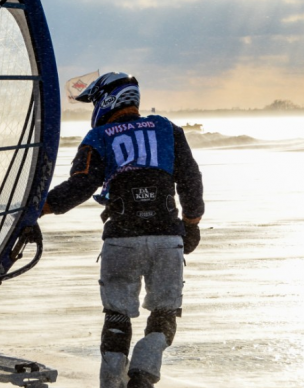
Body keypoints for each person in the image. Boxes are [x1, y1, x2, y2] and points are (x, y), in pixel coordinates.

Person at [41, 72, 204, 388]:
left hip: (121, 240)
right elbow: (191, 179)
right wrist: (192, 223)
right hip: (167, 238)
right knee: (164, 314)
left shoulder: (99, 136)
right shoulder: (168, 129)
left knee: (117, 317)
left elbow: (81, 185)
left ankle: (112, 382)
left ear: (106, 100)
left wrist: (40, 208)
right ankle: (142, 376)